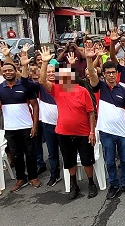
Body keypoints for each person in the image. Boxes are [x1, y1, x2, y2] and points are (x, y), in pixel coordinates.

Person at [39, 46, 98, 199]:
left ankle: (91, 183)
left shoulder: (82, 91)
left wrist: (92, 132)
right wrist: (45, 63)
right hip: (63, 133)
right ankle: (74, 185)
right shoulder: (57, 89)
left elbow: (91, 113)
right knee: (69, 161)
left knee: (87, 161)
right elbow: (42, 80)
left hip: (83, 133)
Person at [86, 51, 125, 199]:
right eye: (108, 73)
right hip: (106, 132)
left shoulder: (123, 90)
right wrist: (89, 58)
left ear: (116, 73)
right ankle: (113, 185)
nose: (111, 75)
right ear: (104, 74)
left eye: (113, 72)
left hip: (122, 132)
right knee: (110, 160)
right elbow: (92, 74)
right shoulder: (99, 87)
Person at [0, 62, 40, 192]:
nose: (7, 73)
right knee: (16, 155)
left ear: (16, 71)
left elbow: (35, 106)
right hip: (10, 128)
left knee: (30, 153)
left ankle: (33, 177)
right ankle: (21, 178)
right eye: (5, 71)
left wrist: (35, 125)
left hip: (27, 125)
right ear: (2, 73)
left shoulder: (25, 86)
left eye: (10, 70)